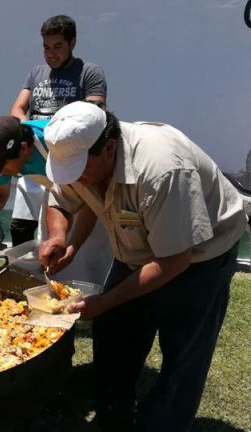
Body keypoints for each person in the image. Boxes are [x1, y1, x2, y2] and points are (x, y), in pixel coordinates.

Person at [38, 101, 247, 431]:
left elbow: (174, 260)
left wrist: (104, 301)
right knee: (115, 335)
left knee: (183, 350)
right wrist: (60, 238)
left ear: (109, 147)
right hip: (137, 250)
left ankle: (163, 424)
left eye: (79, 169)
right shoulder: (84, 160)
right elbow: (61, 200)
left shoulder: (162, 168)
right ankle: (113, 418)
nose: (74, 178)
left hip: (199, 256)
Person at [8, 14, 107, 247]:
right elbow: (17, 109)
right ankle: (22, 263)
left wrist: (57, 132)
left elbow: (95, 113)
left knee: (58, 218)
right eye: (46, 47)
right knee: (22, 223)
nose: (51, 53)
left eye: (58, 46)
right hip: (35, 157)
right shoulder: (36, 73)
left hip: (67, 158)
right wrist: (31, 128)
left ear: (72, 43)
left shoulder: (89, 72)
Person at [0, 116, 54, 251]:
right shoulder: (0, 148)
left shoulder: (54, 141)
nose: (0, 172)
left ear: (23, 148)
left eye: (3, 165)